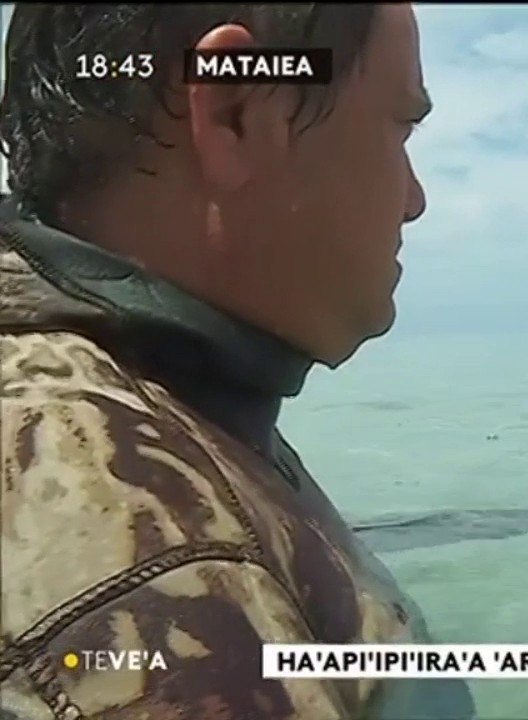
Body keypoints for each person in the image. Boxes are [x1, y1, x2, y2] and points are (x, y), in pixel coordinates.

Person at [0, 5, 474, 719]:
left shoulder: (162, 404)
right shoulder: (143, 549)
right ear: (235, 113)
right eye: (400, 126)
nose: (415, 199)